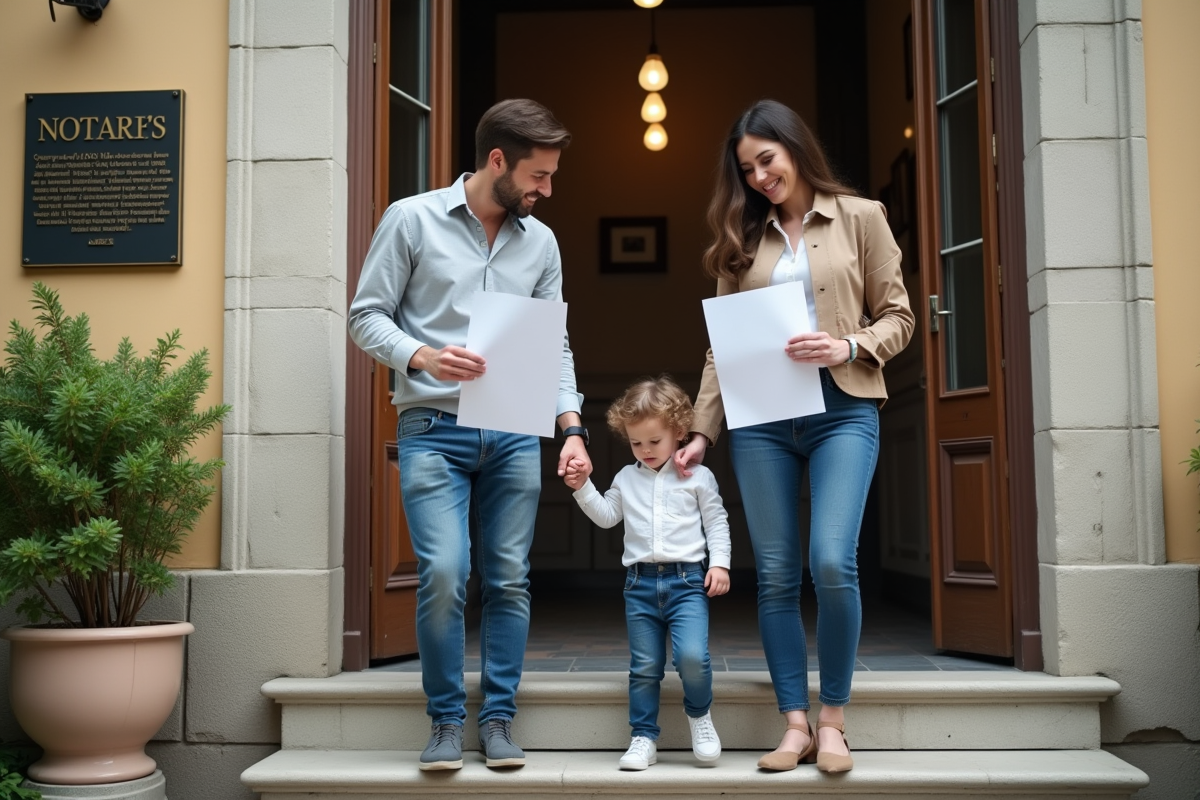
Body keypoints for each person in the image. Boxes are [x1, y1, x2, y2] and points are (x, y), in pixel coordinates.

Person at [348, 98, 592, 772]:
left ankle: (500, 718)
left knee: (509, 579)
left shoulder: (540, 242)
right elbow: (365, 316)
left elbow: (555, 346)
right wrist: (421, 355)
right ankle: (446, 720)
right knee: (447, 572)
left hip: (514, 428)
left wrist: (570, 427)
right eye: (538, 176)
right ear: (497, 162)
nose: (547, 190)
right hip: (432, 428)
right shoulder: (411, 220)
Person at [673, 99, 914, 773]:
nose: (758, 177)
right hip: (762, 421)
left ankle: (833, 721)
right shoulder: (740, 240)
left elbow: (900, 317)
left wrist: (846, 345)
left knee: (833, 561)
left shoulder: (862, 217)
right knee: (776, 575)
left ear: (795, 148)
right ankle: (794, 724)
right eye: (747, 169)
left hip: (844, 408)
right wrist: (701, 432)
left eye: (766, 160)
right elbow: (722, 348)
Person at [564, 376, 731, 771]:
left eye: (654, 442)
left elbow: (717, 522)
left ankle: (700, 717)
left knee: (693, 657)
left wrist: (720, 563)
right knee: (644, 667)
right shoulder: (626, 478)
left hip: (688, 582)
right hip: (639, 585)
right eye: (636, 443)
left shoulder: (698, 477)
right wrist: (582, 486)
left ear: (678, 432)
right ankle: (643, 736)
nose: (645, 450)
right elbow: (606, 517)